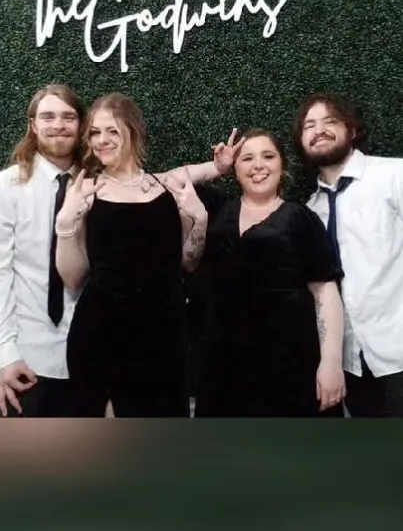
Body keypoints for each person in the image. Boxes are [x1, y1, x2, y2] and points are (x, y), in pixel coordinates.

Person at [55, 92, 243, 417]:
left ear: (133, 131)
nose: (102, 140)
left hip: (163, 332)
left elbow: (190, 256)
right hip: (101, 332)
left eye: (112, 130)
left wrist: (218, 171)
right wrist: (66, 222)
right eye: (95, 132)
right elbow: (72, 278)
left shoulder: (165, 184)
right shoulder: (86, 190)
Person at [194, 128, 345, 417]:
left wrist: (330, 362)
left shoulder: (300, 218)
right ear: (235, 169)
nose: (258, 165)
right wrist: (216, 168)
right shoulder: (218, 211)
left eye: (268, 156)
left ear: (282, 164)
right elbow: (166, 182)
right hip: (224, 364)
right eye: (247, 158)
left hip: (289, 361)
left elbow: (325, 292)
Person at [293, 91, 403, 417]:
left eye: (330, 121)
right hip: (352, 364)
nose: (319, 130)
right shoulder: (309, 212)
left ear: (351, 130)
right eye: (309, 125)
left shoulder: (393, 176)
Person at [0, 83, 86, 417]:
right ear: (33, 125)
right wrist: (5, 355)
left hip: (87, 357)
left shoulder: (98, 185)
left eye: (68, 116)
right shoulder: (7, 187)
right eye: (48, 116)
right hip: (25, 361)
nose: (59, 124)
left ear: (81, 126)